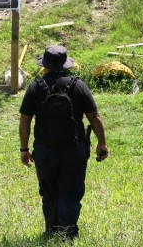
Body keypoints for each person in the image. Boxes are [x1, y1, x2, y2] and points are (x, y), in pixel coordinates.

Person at [19, 46, 109, 240]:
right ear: (66, 64)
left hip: (44, 151)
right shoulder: (79, 86)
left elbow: (25, 120)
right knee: (71, 189)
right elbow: (95, 118)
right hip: (74, 150)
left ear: (45, 65)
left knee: (49, 191)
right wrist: (102, 143)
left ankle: (51, 230)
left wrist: (24, 149)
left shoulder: (35, 87)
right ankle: (67, 234)